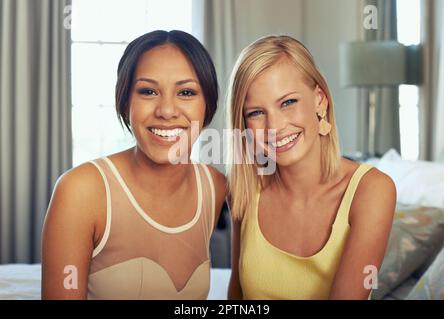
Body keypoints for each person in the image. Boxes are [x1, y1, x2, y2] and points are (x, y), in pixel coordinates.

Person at [42, 30, 226, 300]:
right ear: (125, 101)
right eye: (148, 91)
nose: (166, 110)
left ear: (207, 104)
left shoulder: (216, 187)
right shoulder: (80, 191)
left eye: (186, 92)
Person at [227, 35, 396, 300]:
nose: (275, 127)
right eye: (256, 113)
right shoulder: (244, 190)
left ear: (319, 100)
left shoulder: (372, 191)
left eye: (288, 102)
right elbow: (236, 297)